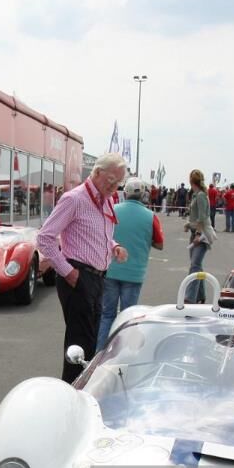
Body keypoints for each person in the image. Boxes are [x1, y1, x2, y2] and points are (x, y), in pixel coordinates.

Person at [37, 152, 129, 382]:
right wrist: (68, 272)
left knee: (89, 343)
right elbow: (45, 238)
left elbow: (101, 233)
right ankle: (71, 393)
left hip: (97, 277)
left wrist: (114, 246)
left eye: (119, 183)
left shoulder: (106, 199)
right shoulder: (75, 199)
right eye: (112, 181)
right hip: (78, 275)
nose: (115, 187)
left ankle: (79, 390)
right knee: (79, 345)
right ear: (97, 173)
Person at [96, 178, 164, 350]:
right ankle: (124, 352)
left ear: (124, 193)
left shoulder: (113, 210)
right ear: (143, 195)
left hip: (110, 270)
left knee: (107, 315)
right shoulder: (151, 216)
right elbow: (160, 244)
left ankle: (100, 352)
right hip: (134, 274)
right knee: (128, 316)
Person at [185, 170, 217, 303]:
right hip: (195, 233)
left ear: (191, 181)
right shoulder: (196, 195)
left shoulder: (200, 196)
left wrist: (198, 234)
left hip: (202, 234)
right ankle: (200, 296)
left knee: (195, 265)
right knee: (197, 265)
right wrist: (189, 225)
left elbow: (202, 217)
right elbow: (196, 215)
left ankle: (190, 298)